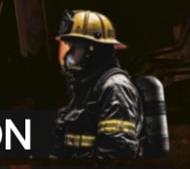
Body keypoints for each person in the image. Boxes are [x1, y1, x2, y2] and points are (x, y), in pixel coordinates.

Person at [53, 9, 142, 159]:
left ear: (92, 49)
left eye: (76, 47)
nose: (69, 55)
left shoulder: (114, 87)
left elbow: (116, 153)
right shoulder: (85, 88)